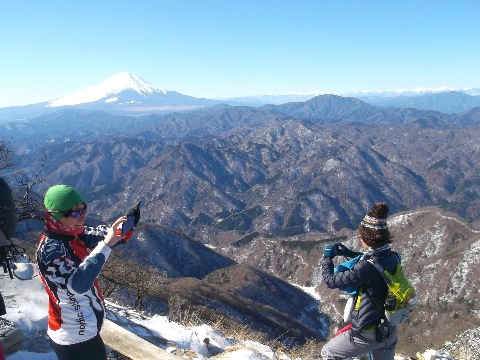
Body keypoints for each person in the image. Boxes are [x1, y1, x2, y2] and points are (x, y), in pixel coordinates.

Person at [36, 184, 140, 360]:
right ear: (55, 216)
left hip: (85, 330)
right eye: (75, 213)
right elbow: (77, 284)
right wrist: (106, 245)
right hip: (73, 337)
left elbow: (105, 235)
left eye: (83, 208)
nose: (82, 216)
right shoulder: (49, 251)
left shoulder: (72, 232)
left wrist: (125, 228)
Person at [321, 202, 399, 360]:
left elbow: (330, 281)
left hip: (368, 333)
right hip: (389, 331)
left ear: (365, 238)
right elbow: (376, 264)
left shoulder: (365, 268)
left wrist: (327, 258)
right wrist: (350, 252)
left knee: (328, 353)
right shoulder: (394, 257)